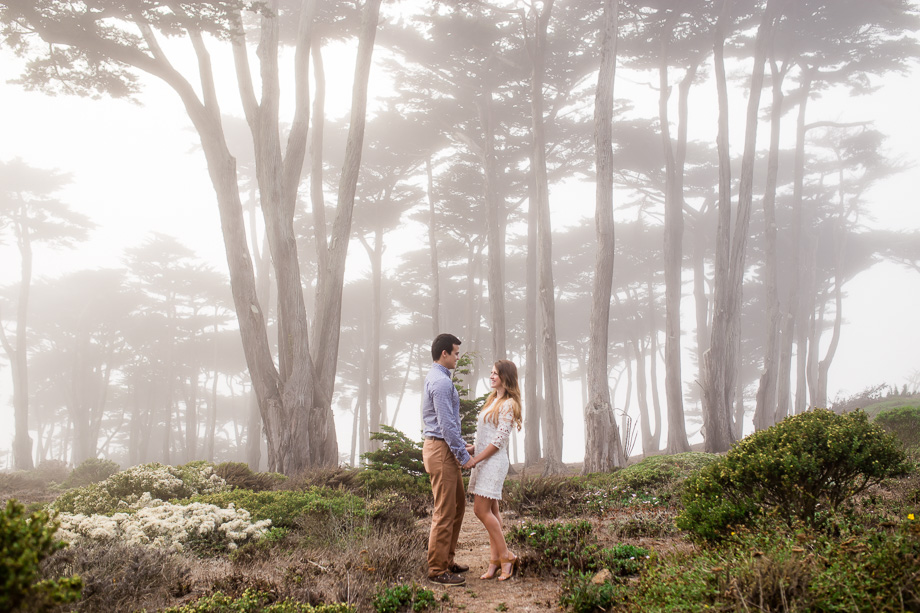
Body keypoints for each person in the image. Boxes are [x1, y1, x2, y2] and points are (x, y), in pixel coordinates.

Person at [422, 333, 476, 587]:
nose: (457, 357)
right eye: (455, 353)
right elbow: (445, 425)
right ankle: (436, 570)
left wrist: (459, 446)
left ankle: (447, 561)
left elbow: (448, 424)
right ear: (444, 353)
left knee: (457, 506)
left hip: (445, 449)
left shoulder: (440, 378)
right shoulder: (441, 382)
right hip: (441, 451)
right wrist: (463, 456)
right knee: (444, 511)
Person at [465, 359, 523, 581]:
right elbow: (485, 437)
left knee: (481, 511)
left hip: (494, 462)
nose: (491, 377)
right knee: (494, 513)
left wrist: (476, 459)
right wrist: (470, 448)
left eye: (495, 374)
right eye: (490, 373)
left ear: (505, 377)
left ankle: (507, 556)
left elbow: (499, 441)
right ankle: (495, 561)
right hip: (484, 460)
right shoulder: (492, 400)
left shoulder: (508, 404)